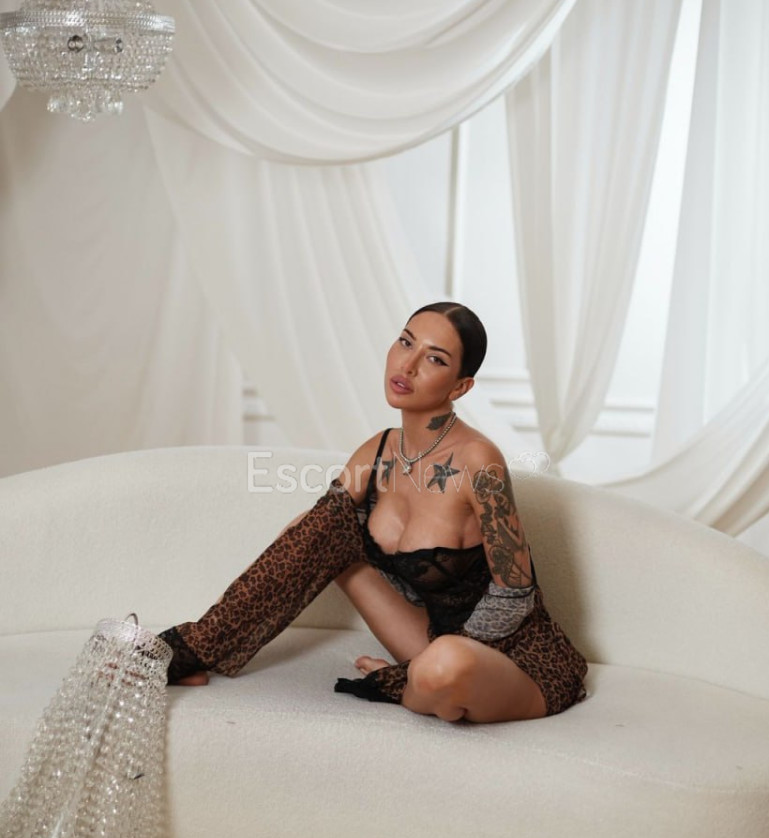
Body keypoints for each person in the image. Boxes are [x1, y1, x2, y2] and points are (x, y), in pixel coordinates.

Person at [158, 302, 588, 723]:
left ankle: (414, 681)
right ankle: (194, 652)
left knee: (443, 663)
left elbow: (514, 595)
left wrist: (427, 665)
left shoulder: (478, 460)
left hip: (509, 659)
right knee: (314, 529)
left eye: (435, 359)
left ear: (460, 387)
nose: (408, 364)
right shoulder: (377, 451)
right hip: (430, 640)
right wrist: (197, 645)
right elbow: (297, 551)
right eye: (406, 342)